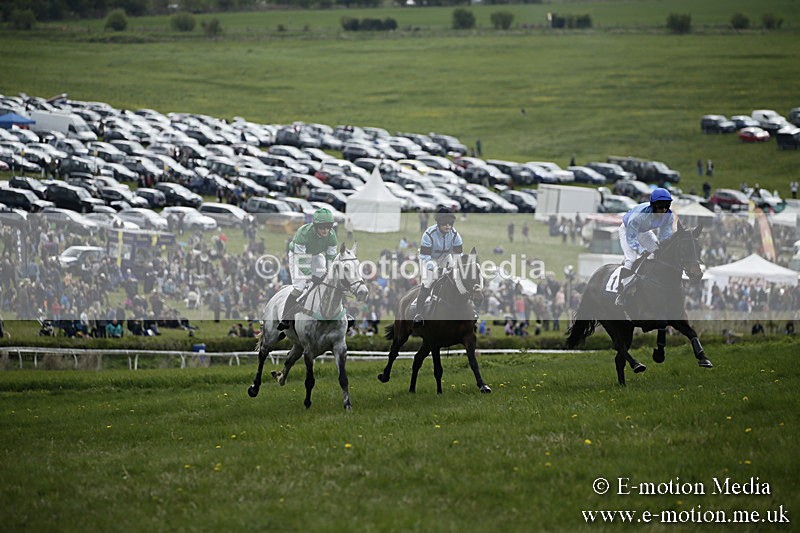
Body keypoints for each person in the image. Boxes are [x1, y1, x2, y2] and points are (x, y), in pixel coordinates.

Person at [278, 208, 339, 331]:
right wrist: (311, 276)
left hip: (316, 255)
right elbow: (301, 260)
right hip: (297, 255)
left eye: (328, 227)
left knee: (327, 283)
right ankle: (285, 317)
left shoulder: (332, 235)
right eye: (323, 227)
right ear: (315, 226)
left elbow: (331, 257)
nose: (326, 230)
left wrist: (329, 272)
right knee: (299, 287)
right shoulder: (303, 232)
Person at [615, 188, 674, 306]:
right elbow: (631, 238)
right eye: (660, 206)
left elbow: (664, 237)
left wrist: (664, 249)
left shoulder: (668, 216)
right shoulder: (639, 215)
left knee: (658, 254)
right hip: (627, 231)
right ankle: (620, 293)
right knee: (631, 259)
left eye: (665, 206)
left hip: (644, 232)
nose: (663, 210)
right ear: (653, 205)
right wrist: (641, 250)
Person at [414, 207, 463, 326]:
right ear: (438, 223)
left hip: (446, 257)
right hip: (428, 259)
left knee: (458, 279)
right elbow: (425, 257)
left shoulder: (455, 235)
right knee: (429, 281)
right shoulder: (429, 234)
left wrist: (458, 268)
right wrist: (436, 269)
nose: (448, 227)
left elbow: (458, 255)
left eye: (450, 224)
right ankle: (418, 314)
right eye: (445, 224)